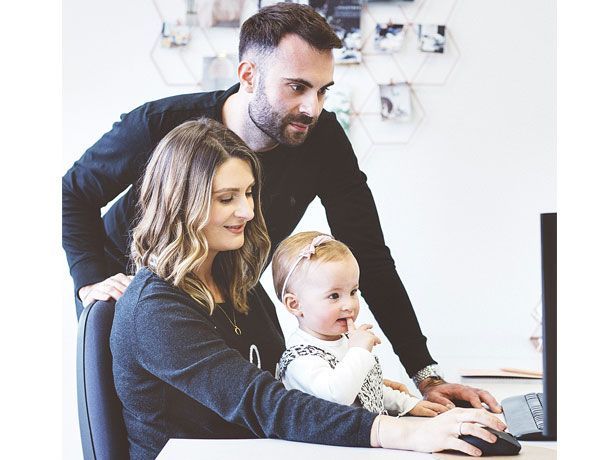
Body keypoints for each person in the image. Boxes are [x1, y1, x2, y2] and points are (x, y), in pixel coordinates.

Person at [63, 2, 500, 410]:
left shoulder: (322, 139)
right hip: (136, 305)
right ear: (249, 75)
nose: (312, 108)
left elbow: (368, 254)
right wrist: (91, 282)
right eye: (297, 87)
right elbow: (72, 193)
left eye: (323, 91)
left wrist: (426, 376)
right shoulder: (161, 125)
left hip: (226, 297)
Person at [110, 117, 506, 458]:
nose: (247, 211)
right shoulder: (155, 310)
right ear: (180, 203)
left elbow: (282, 378)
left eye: (248, 193)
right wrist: (401, 432)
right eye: (226, 198)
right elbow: (264, 404)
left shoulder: (238, 281)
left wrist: (375, 396)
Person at [273, 231, 449, 417]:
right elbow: (337, 396)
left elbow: (367, 389)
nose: (349, 305)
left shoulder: (341, 340)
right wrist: (358, 352)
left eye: (353, 291)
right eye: (334, 296)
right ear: (295, 304)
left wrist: (408, 404)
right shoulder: (301, 357)